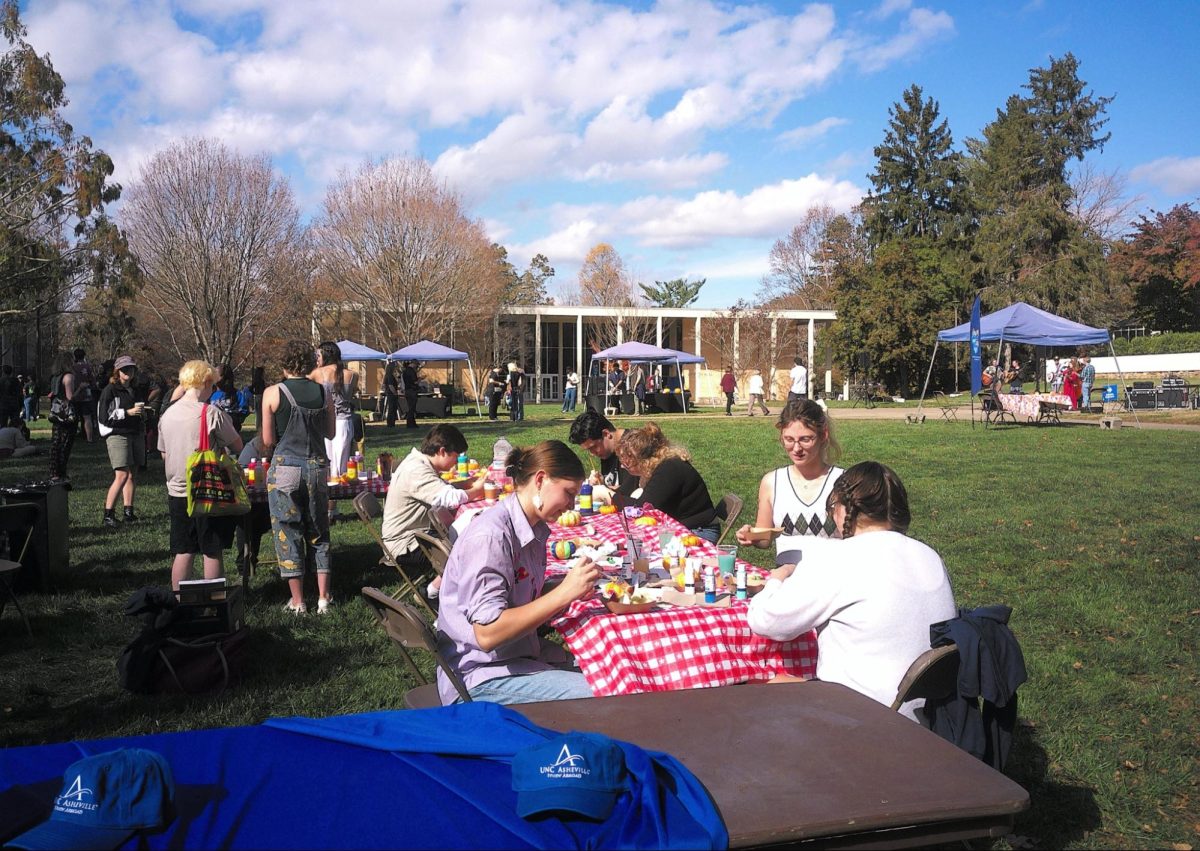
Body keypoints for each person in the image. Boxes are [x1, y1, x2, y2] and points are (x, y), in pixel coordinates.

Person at [746, 462, 957, 721]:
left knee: (754, 681)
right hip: (934, 715)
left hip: (862, 716)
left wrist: (775, 581)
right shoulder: (930, 556)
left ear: (844, 508)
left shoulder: (838, 557)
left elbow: (767, 622)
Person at [435, 440, 602, 705]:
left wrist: (569, 586)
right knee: (606, 693)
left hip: (516, 657)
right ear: (540, 479)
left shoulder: (529, 528)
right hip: (480, 677)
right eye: (568, 493)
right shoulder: (491, 536)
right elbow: (488, 634)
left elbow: (519, 591)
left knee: (608, 669)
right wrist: (564, 594)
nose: (572, 504)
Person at [262, 340, 336, 615]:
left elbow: (268, 440)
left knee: (287, 532)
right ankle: (324, 598)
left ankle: (298, 601)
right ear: (309, 363)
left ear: (282, 365)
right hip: (316, 467)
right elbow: (330, 433)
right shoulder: (323, 392)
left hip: (285, 470)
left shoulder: (272, 393)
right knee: (319, 533)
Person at [158, 360, 244, 590]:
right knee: (212, 550)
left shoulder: (167, 414)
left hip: (177, 490)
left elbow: (164, 453)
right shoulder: (211, 413)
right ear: (206, 383)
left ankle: (179, 600)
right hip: (208, 490)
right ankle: (215, 599)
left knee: (183, 550)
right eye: (212, 385)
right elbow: (238, 445)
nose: (213, 390)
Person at [736, 398, 844, 560]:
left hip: (833, 576)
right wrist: (751, 535)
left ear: (823, 435)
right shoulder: (772, 482)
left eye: (805, 439)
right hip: (787, 578)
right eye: (789, 439)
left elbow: (859, 540)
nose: (796, 448)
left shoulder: (843, 482)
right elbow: (765, 540)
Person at [382, 424, 486, 569]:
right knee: (469, 546)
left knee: (468, 535)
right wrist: (478, 491)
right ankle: (435, 589)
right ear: (443, 451)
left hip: (418, 535)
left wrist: (467, 483)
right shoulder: (417, 470)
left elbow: (442, 488)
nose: (456, 463)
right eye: (455, 458)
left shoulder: (420, 463)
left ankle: (440, 585)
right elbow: (450, 499)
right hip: (405, 545)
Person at [616, 423, 720, 542]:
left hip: (699, 530)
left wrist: (607, 496)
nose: (623, 467)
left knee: (644, 547)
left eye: (627, 463)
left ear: (641, 460)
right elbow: (625, 494)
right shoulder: (654, 468)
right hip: (678, 526)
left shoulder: (669, 468)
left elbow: (643, 508)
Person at [97, 355, 147, 527]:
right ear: (117, 371)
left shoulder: (136, 389)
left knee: (132, 473)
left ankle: (128, 512)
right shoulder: (109, 391)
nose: (128, 372)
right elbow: (103, 417)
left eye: (131, 368)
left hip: (135, 432)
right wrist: (127, 413)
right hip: (117, 434)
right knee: (122, 474)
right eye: (125, 369)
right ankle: (108, 514)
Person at [311, 341, 358, 479]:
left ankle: (327, 497)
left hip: (324, 421)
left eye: (318, 355)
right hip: (344, 421)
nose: (316, 359)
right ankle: (336, 496)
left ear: (325, 355)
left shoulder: (317, 373)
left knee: (326, 464)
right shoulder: (352, 375)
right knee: (341, 467)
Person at [568, 410, 636, 498]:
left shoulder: (632, 447)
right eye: (589, 450)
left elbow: (628, 492)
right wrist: (601, 483)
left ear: (606, 434)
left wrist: (600, 490)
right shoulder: (608, 450)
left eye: (593, 447)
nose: (592, 453)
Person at [47, 352, 77, 481]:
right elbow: (70, 397)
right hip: (66, 414)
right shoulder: (68, 377)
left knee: (56, 443)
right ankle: (61, 471)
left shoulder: (55, 377)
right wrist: (81, 389)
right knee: (65, 444)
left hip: (56, 413)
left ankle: (54, 471)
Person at [71, 348, 99, 443]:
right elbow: (93, 381)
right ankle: (89, 438)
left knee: (74, 418)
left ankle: (72, 437)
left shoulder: (72, 368)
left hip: (75, 394)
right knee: (87, 417)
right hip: (86, 395)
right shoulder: (87, 367)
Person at [382, 361, 401, 427]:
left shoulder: (388, 375)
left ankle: (391, 422)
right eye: (394, 367)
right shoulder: (389, 376)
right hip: (391, 394)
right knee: (392, 408)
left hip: (390, 393)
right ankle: (390, 423)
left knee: (392, 408)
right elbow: (390, 385)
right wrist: (395, 393)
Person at [403, 360, 420, 429]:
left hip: (407, 390)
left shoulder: (405, 371)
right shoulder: (412, 371)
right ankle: (410, 423)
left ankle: (412, 423)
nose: (417, 367)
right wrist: (420, 379)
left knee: (411, 407)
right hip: (412, 391)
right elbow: (415, 382)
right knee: (412, 408)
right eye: (417, 365)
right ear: (413, 364)